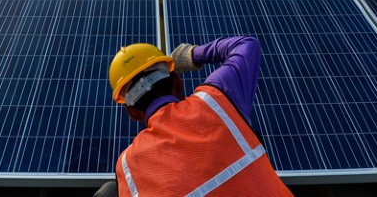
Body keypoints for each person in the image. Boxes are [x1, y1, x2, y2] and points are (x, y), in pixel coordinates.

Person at [96, 36, 293, 197]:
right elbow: (245, 45)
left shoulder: (128, 167)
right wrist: (192, 55)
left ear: (131, 112)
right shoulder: (216, 101)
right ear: (178, 83)